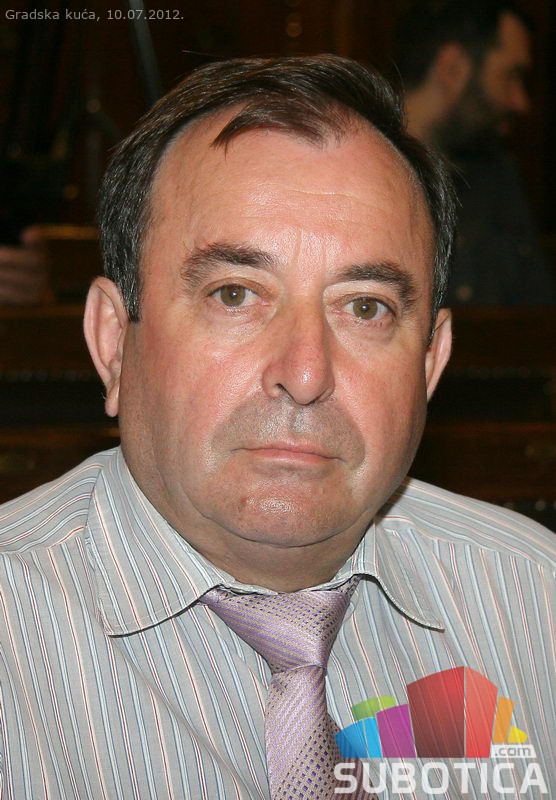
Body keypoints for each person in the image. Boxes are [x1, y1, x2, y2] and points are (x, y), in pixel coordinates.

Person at [0, 56, 553, 800]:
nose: (306, 371)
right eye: (235, 294)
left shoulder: (533, 602)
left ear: (430, 362)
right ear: (112, 343)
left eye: (365, 307)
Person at [396, 0, 556, 305]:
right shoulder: (364, 178)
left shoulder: (497, 176)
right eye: (511, 75)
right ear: (453, 68)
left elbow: (538, 314)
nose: (520, 101)